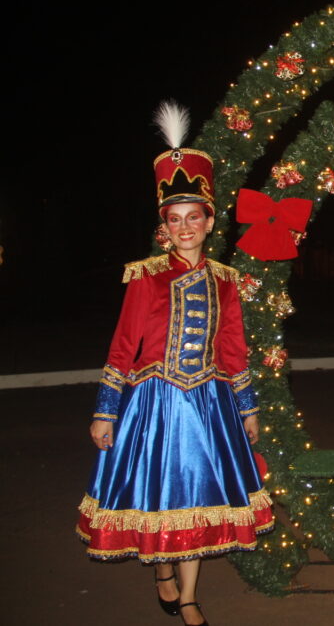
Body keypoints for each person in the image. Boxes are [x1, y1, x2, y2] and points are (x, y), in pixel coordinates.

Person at [76, 103, 273, 626]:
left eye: (195, 218)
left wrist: (247, 408)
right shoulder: (145, 276)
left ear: (209, 221)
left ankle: (187, 595)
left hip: (210, 403)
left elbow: (233, 349)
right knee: (159, 497)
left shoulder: (227, 280)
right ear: (164, 226)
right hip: (155, 402)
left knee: (199, 498)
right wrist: (106, 411)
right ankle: (162, 572)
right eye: (174, 219)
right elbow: (122, 347)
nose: (185, 227)